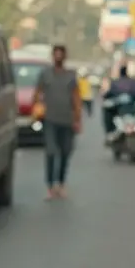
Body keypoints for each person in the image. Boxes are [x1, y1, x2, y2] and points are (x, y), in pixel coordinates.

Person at [33, 44, 82, 200]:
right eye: (56, 55)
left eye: (61, 54)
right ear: (53, 57)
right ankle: (50, 186)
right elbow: (38, 93)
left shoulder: (70, 76)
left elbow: (76, 98)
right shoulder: (45, 74)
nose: (58, 57)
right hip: (50, 119)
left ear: (65, 57)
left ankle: (60, 183)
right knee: (51, 152)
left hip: (67, 120)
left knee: (65, 152)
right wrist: (38, 108)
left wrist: (77, 119)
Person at [103, 65, 135, 138]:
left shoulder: (115, 83)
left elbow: (108, 94)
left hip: (128, 110)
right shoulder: (133, 82)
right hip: (124, 110)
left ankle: (109, 132)